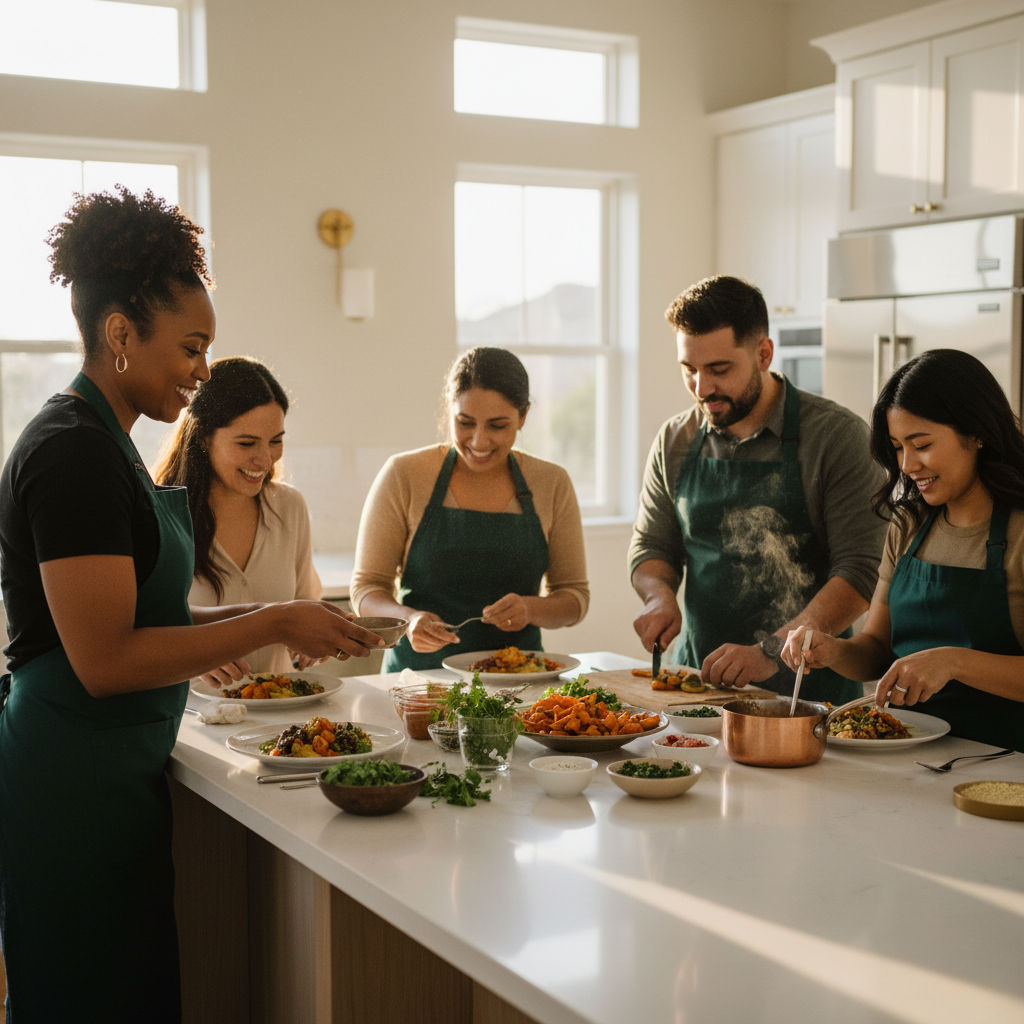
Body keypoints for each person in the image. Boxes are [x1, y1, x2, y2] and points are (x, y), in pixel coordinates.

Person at [0, 186, 382, 1024]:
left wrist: (287, 616)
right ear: (120, 334)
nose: (202, 370)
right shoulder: (73, 455)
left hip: (115, 777)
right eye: (192, 346)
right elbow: (104, 661)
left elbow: (150, 620)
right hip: (71, 783)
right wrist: (275, 620)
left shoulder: (110, 447)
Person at [629, 275, 887, 704]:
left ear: (764, 353)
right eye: (689, 370)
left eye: (719, 370)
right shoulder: (675, 439)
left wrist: (772, 651)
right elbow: (651, 546)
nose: (702, 388)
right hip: (696, 684)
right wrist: (658, 597)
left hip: (809, 695)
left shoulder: (836, 437)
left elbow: (860, 570)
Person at [782, 349, 1024, 751]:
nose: (908, 464)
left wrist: (952, 662)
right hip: (910, 758)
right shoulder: (909, 524)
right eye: (897, 447)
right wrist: (832, 649)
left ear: (977, 433)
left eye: (922, 444)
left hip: (1007, 767)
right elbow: (876, 651)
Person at [351, 346, 589, 672]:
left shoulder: (552, 482)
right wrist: (409, 620)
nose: (478, 441)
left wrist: (530, 609)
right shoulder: (404, 474)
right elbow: (366, 589)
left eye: (497, 425)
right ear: (448, 411)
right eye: (465, 423)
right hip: (419, 683)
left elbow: (574, 599)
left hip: (520, 681)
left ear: (524, 416)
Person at [156, 356, 323, 684]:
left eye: (276, 440)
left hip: (279, 720)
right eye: (247, 443)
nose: (265, 459)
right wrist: (191, 653)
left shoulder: (290, 507)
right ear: (204, 437)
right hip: (193, 719)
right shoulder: (161, 512)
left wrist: (311, 643)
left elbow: (306, 602)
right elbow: (140, 628)